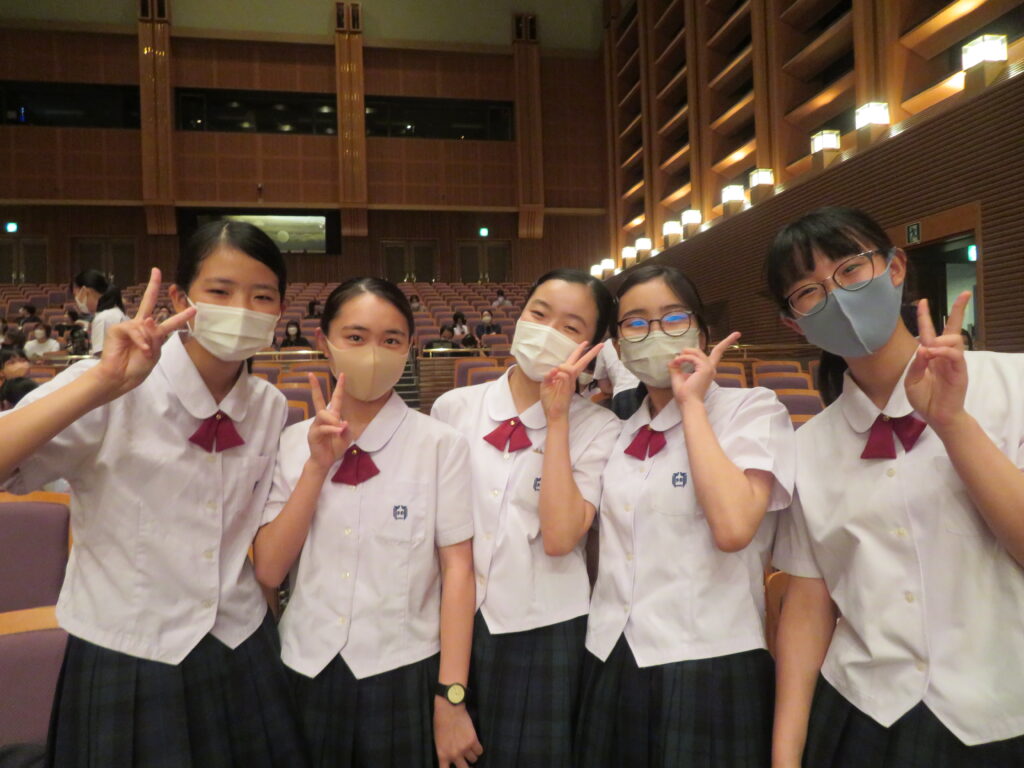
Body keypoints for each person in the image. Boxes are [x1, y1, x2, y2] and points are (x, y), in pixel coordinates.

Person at [1, 221, 309, 768]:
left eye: (261, 296)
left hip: (240, 644)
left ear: (279, 310)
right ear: (181, 300)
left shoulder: (269, 407)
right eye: (220, 291)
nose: (241, 309)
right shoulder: (111, 383)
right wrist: (101, 384)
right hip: (130, 649)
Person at [764, 207, 1024, 767]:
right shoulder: (807, 448)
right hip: (861, 713)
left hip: (1004, 715)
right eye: (808, 291)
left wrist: (953, 425)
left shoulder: (1013, 384)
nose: (836, 295)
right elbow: (808, 607)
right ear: (794, 323)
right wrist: (786, 755)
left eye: (850, 270)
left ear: (895, 267)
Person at [255, 277, 481, 768]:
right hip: (304, 666)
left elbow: (459, 572)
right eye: (355, 337)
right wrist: (316, 467)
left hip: (404, 671)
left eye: (391, 340)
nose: (373, 353)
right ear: (325, 342)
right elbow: (270, 570)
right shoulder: (291, 443)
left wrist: (452, 695)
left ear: (410, 347)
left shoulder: (440, 445)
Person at [576, 264, 794, 767]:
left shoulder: (752, 410)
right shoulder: (620, 432)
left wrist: (691, 404)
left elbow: (734, 528)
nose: (654, 333)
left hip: (708, 660)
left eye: (673, 318)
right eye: (636, 323)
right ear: (619, 346)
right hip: (611, 655)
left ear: (702, 332)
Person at [431, 268, 621, 768]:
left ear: (591, 348)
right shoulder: (453, 409)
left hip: (544, 630)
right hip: (449, 621)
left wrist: (557, 420)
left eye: (570, 327)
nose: (548, 331)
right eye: (539, 314)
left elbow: (561, 537)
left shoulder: (599, 428)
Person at [73, 269, 128, 354]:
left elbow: (102, 357)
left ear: (85, 291)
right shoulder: (111, 313)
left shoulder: (103, 318)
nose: (76, 300)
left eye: (75, 295)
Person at [592, 340, 641, 419]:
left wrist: (618, 385)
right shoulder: (646, 338)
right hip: (649, 390)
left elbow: (604, 387)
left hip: (622, 396)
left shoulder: (605, 346)